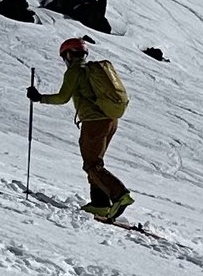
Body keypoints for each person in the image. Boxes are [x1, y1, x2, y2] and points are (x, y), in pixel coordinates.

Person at [28, 37, 133, 220]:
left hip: (94, 122)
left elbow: (63, 98)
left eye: (64, 56)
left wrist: (40, 98)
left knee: (91, 164)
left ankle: (119, 195)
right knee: (95, 162)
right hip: (110, 120)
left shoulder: (74, 72)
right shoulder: (91, 70)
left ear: (69, 55)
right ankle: (99, 204)